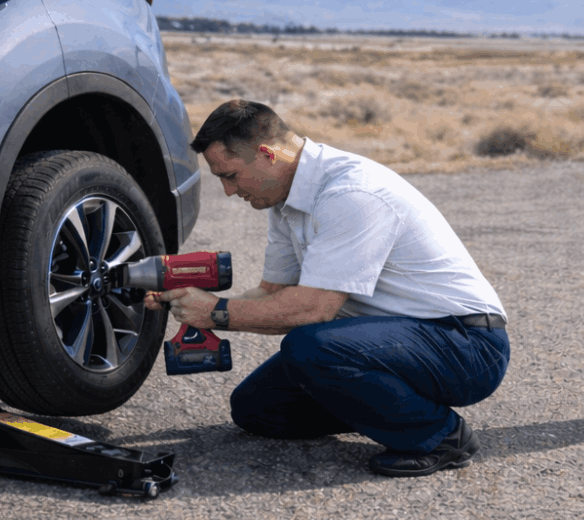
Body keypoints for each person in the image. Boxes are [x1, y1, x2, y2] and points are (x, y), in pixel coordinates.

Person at [148, 99, 510, 477]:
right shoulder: (285, 199)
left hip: (465, 345)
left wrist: (216, 312)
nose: (227, 191)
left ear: (268, 155)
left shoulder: (351, 193)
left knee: (310, 346)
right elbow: (273, 294)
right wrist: (192, 302)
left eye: (231, 176)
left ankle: (439, 436)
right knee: (258, 409)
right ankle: (389, 408)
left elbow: (311, 310)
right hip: (392, 341)